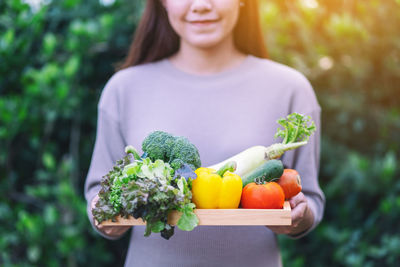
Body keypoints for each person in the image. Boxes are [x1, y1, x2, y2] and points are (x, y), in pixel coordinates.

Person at [84, 0, 325, 266]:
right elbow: (98, 189)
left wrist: (301, 216)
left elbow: (309, 197)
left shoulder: (290, 88)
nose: (200, 5)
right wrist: (103, 216)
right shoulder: (123, 89)